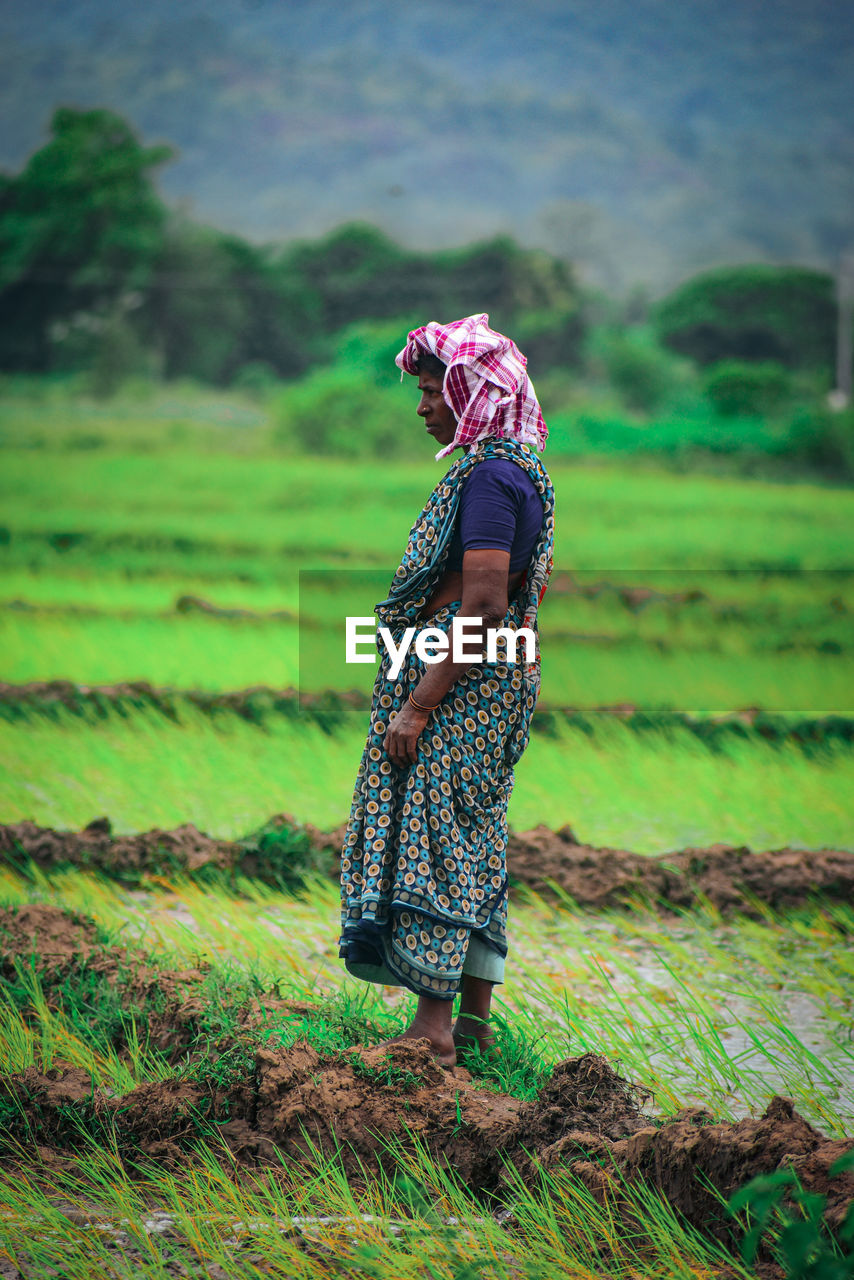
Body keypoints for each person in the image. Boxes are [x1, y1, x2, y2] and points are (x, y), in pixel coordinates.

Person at [339, 313, 555, 1066]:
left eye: (433, 390)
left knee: (438, 838)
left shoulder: (492, 476)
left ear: (471, 392)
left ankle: (430, 1031)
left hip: (462, 679)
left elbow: (487, 602)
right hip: (491, 677)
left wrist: (420, 701)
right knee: (473, 840)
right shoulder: (515, 468)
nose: (423, 405)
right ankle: (473, 1022)